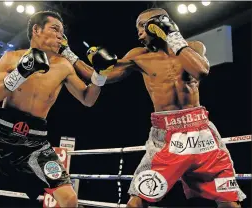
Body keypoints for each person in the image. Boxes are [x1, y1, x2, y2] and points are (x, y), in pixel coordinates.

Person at [59, 8, 246, 208]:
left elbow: (200, 71)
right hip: (165, 135)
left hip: (201, 134)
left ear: (158, 23)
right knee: (136, 202)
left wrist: (172, 36)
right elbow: (99, 77)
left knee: (228, 202)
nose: (138, 32)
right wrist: (69, 54)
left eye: (142, 25)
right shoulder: (138, 56)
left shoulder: (193, 47)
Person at [0, 10, 107, 207]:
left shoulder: (64, 66)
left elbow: (88, 99)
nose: (60, 36)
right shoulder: (12, 58)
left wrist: (100, 76)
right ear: (36, 30)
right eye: (55, 29)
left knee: (69, 199)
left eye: (62, 32)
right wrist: (21, 73)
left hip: (35, 144)